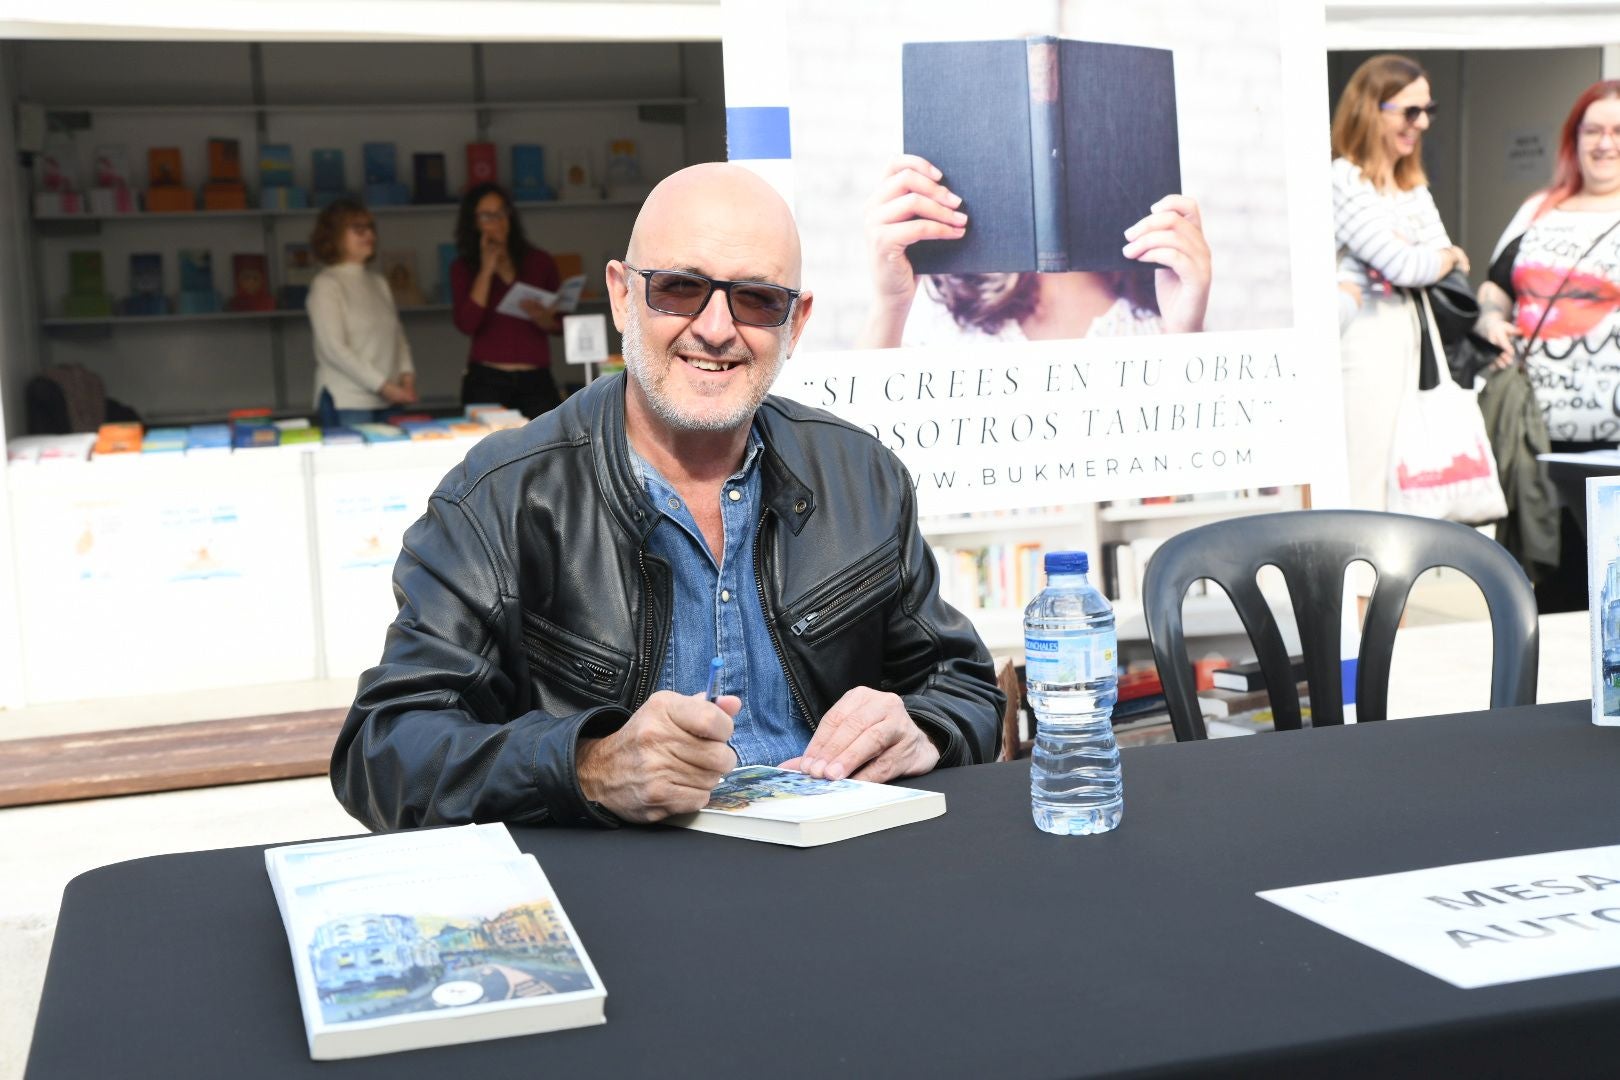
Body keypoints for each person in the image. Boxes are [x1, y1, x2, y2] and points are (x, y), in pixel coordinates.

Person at [331, 163, 1004, 831]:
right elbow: (383, 751)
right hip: (621, 899)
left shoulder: (860, 474)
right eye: (681, 289)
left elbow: (964, 682)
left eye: (756, 299)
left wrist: (923, 729)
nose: (715, 328)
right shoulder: (500, 497)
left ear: (795, 324)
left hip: (842, 876)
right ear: (623, 297)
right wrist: (587, 766)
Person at [1476, 79, 1620, 610]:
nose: (1605, 143)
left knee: (1610, 594)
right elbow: (1496, 284)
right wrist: (1491, 319)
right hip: (1537, 436)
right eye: (1593, 130)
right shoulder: (1540, 207)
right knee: (1551, 588)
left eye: (1617, 130)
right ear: (1574, 138)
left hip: (1614, 443)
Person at [858, 154, 1212, 347]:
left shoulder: (1159, 304)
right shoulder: (937, 305)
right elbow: (858, 461)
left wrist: (1184, 334)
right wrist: (890, 304)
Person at [1331, 54, 1470, 515]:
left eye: (1428, 110)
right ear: (1371, 110)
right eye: (1410, 111)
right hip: (1365, 344)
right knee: (1365, 476)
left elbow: (1436, 258)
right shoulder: (1344, 177)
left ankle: (1390, 586)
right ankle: (1354, 588)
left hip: (1412, 339)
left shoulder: (1410, 185)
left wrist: (1434, 257)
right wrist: (1437, 256)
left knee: (1406, 476)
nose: (1423, 123)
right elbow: (1407, 264)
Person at [450, 182, 564, 419]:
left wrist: (546, 321)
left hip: (536, 379)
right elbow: (467, 324)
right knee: (489, 452)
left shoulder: (539, 261)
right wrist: (486, 270)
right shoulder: (463, 268)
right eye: (486, 215)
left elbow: (563, 322)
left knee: (548, 449)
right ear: (473, 222)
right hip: (487, 379)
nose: (497, 221)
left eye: (501, 212)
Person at [306, 198, 417, 428]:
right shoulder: (326, 284)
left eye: (371, 228)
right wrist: (384, 387)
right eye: (359, 229)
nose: (370, 235)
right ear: (333, 235)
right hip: (348, 401)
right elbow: (334, 349)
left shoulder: (378, 282)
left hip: (391, 400)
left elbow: (397, 337)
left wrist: (407, 377)